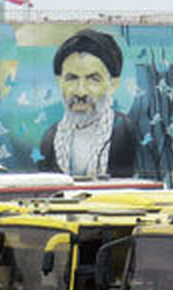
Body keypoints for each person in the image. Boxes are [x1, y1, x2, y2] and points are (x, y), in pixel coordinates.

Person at [38, 29, 141, 179]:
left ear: (113, 84)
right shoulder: (50, 138)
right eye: (72, 78)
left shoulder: (126, 132)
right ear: (59, 82)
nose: (80, 92)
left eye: (93, 79)